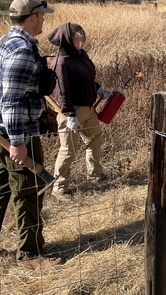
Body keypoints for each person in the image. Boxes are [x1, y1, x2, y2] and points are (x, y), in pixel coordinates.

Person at [0, 0, 62, 269]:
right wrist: (17, 143)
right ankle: (30, 254)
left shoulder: (6, 41)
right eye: (42, 15)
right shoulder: (20, 50)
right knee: (28, 188)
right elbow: (11, 99)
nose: (44, 19)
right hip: (13, 131)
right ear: (32, 17)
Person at [48, 23, 111, 201]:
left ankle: (95, 175)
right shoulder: (61, 63)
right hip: (71, 111)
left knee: (95, 139)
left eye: (83, 37)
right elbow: (62, 92)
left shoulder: (80, 54)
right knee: (69, 149)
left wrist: (98, 88)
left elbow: (88, 76)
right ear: (68, 39)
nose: (82, 41)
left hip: (88, 107)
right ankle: (59, 187)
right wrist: (70, 115)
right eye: (78, 38)